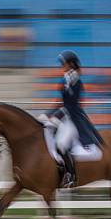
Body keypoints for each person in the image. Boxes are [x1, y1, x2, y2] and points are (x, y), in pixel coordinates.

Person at [39, 50, 103, 188]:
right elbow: (60, 101)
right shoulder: (65, 80)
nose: (62, 65)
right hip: (64, 116)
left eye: (64, 63)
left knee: (61, 144)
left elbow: (72, 105)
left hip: (73, 119)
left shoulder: (77, 82)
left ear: (71, 64)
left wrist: (57, 116)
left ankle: (71, 175)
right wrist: (47, 113)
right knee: (48, 133)